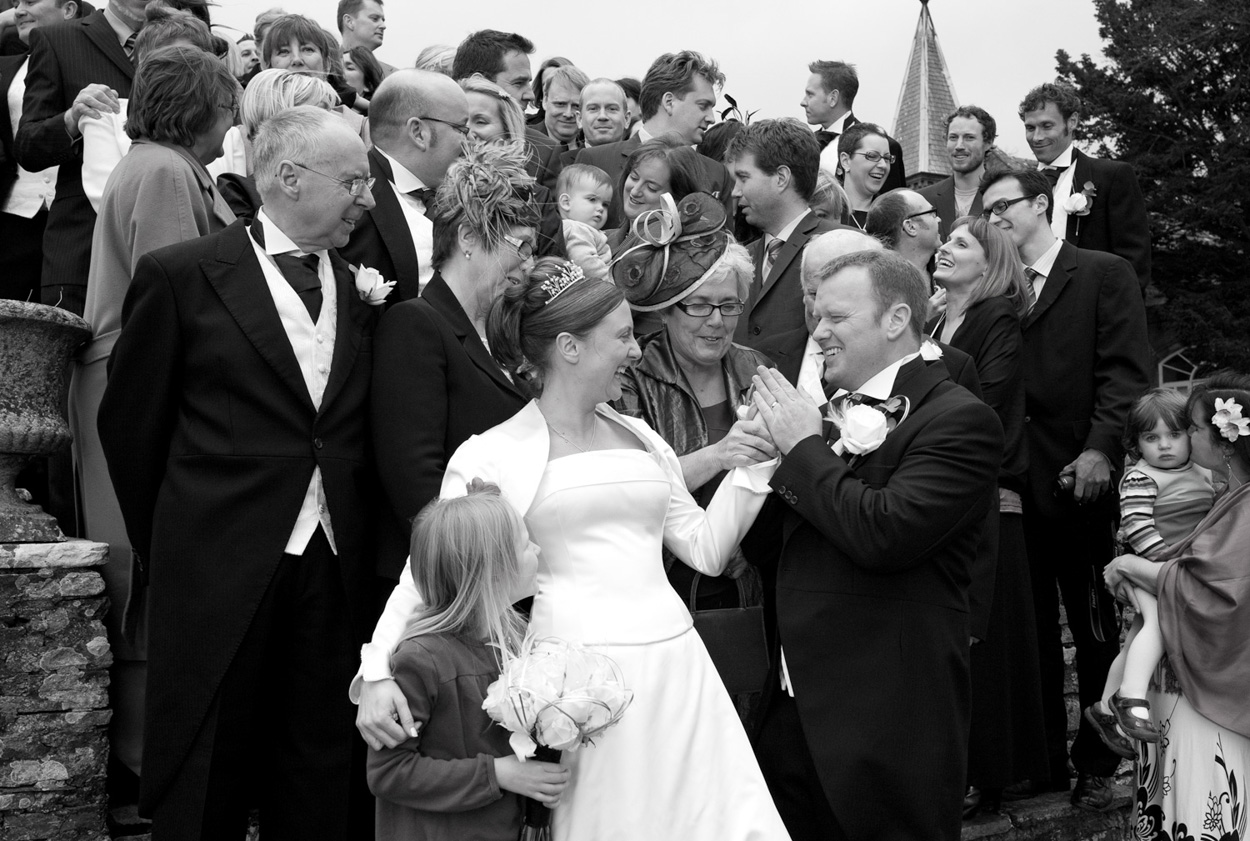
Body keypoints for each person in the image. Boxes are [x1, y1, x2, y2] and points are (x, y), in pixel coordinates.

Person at [356, 256, 791, 841]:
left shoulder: (641, 437)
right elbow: (424, 572)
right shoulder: (495, 453)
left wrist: (751, 468)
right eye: (622, 337)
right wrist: (377, 670)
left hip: (678, 667)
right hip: (579, 688)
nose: (637, 352)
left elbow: (705, 550)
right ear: (569, 347)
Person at [96, 107, 380, 838]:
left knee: (322, 766)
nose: (367, 196)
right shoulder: (183, 276)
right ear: (288, 176)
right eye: (352, 179)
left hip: (332, 565)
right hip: (216, 567)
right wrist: (178, 546)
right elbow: (131, 427)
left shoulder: (359, 289)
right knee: (206, 771)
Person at [745, 248, 1003, 841]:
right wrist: (755, 467)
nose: (819, 331)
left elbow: (884, 533)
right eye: (816, 315)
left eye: (838, 317)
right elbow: (767, 551)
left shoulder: (958, 419)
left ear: (895, 320)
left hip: (885, 722)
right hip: (791, 709)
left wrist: (805, 451)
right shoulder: (824, 418)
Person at [69, 41, 237, 795]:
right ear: (201, 108)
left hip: (121, 373)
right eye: (227, 104)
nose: (233, 120)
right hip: (135, 380)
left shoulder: (156, 165)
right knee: (142, 565)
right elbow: (183, 300)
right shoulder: (167, 171)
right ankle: (144, 761)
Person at [980, 166, 1152, 810]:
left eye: (1004, 207)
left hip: (1080, 480)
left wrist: (1101, 448)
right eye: (986, 212)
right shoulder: (995, 289)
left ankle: (1098, 761)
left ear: (1042, 204)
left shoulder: (1103, 272)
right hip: (1014, 489)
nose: (994, 220)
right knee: (1029, 635)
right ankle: (1044, 762)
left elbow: (1125, 372)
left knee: (1095, 623)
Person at [369, 139, 537, 599]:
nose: (526, 264)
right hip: (448, 581)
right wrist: (469, 573)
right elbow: (413, 477)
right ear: (467, 239)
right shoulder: (416, 324)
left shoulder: (498, 336)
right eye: (518, 246)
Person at [928, 215, 1050, 814]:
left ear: (991, 262)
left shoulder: (995, 316)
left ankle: (988, 772)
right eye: (945, 239)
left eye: (960, 243)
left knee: (988, 643)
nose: (944, 248)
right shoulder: (928, 317)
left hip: (986, 498)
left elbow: (986, 400)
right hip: (932, 492)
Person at [367, 484, 570, 840]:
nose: (537, 549)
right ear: (492, 570)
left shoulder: (514, 639)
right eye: (525, 545)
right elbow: (389, 773)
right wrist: (498, 774)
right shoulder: (419, 659)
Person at [612, 192, 774, 632]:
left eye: (728, 305)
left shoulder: (757, 368)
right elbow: (628, 488)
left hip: (745, 588)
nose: (717, 321)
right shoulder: (630, 376)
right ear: (666, 311)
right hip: (657, 591)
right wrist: (720, 456)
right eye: (699, 306)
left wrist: (747, 541)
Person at [1110, 373, 1250, 836]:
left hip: (1210, 697)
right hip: (1186, 681)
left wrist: (1131, 565)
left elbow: (1216, 589)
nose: (1181, 438)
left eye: (1190, 428)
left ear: (1224, 442)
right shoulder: (1228, 496)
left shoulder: (1245, 506)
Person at [1084, 388, 1215, 757]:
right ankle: (1132, 701)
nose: (1165, 446)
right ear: (1136, 443)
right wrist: (1168, 563)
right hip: (1149, 566)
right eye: (1152, 438)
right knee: (1156, 624)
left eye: (1174, 435)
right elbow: (1139, 528)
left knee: (1138, 636)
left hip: (1176, 566)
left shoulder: (1202, 471)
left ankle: (1104, 708)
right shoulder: (1141, 478)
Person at [15, 0, 144, 314]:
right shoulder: (58, 39)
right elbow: (28, 146)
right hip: (82, 249)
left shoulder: (184, 41)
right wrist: (72, 119)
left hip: (161, 244)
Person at [339, 69, 468, 303]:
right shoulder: (348, 200)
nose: (468, 142)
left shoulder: (465, 195)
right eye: (461, 128)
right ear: (419, 132)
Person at [575, 51, 735, 229]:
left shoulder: (716, 174)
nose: (711, 118)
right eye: (703, 106)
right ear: (669, 102)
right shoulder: (595, 161)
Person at [77, 8, 215, 213]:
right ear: (140, 64)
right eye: (165, 61)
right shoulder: (106, 116)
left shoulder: (225, 128)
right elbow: (109, 200)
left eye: (190, 59)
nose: (179, 70)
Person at [1019, 82, 1151, 291]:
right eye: (1030, 128)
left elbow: (1133, 260)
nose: (1037, 137)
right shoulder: (1018, 184)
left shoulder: (1111, 176)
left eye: (1046, 126)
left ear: (1071, 122)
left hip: (1087, 308)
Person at [725, 118, 842, 348]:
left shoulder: (843, 248)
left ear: (781, 178)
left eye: (744, 177)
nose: (736, 191)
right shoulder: (738, 258)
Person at [0, 0, 83, 303]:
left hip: (75, 221)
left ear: (69, 10)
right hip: (12, 216)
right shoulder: (6, 66)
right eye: (16, 3)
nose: (20, 10)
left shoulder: (91, 61)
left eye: (31, 1)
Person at [211, 68, 337, 219]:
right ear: (279, 122)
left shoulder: (333, 173)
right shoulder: (233, 187)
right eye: (316, 118)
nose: (331, 127)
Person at [449, 30, 561, 190]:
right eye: (518, 83)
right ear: (480, 82)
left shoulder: (544, 152)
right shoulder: (432, 144)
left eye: (529, 82)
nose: (530, 95)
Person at [801, 59, 905, 191]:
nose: (803, 102)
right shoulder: (803, 148)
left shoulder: (887, 148)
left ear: (833, 98)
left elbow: (894, 206)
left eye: (810, 94)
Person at [260, 13, 367, 139]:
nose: (297, 59)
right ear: (268, 67)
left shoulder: (363, 130)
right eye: (284, 52)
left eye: (307, 49)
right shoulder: (242, 137)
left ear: (327, 64)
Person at [919, 105, 994, 241]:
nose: (959, 146)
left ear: (988, 142)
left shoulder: (1003, 197)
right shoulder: (923, 199)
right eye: (953, 137)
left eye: (969, 138)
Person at [865, 188, 942, 276]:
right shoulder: (880, 284)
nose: (939, 219)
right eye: (932, 214)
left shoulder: (948, 275)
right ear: (910, 227)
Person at [556, 162, 611, 280]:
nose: (600, 208)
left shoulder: (579, 229)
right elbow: (585, 264)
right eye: (592, 199)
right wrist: (611, 281)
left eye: (605, 204)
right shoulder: (577, 230)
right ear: (566, 202)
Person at [837, 122, 893, 230]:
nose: (883, 165)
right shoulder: (824, 212)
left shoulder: (895, 217)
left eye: (887, 158)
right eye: (872, 156)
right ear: (846, 161)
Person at [537, 63, 587, 151]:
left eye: (576, 106)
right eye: (560, 104)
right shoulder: (522, 143)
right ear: (545, 100)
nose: (568, 114)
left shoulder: (591, 153)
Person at [336, 0, 392, 76]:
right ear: (349, 22)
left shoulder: (395, 77)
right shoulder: (326, 70)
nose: (383, 26)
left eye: (383, 20)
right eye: (375, 19)